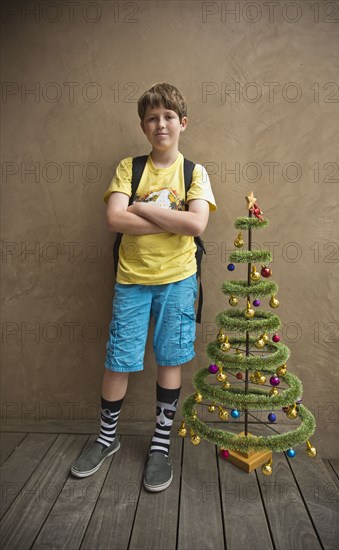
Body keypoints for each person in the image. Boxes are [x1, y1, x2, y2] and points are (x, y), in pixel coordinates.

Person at [70, 82, 216, 492]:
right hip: (132, 281)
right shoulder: (128, 168)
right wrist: (169, 218)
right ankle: (106, 439)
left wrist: (142, 208)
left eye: (168, 116)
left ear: (182, 122)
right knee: (119, 360)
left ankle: (159, 446)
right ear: (143, 126)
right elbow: (115, 220)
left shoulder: (194, 173)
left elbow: (197, 224)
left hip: (179, 282)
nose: (161, 124)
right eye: (152, 118)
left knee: (170, 359)